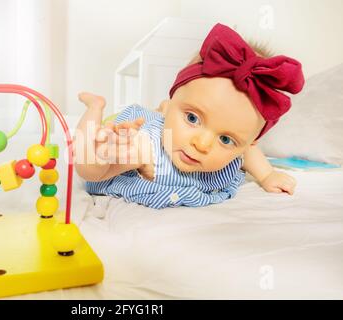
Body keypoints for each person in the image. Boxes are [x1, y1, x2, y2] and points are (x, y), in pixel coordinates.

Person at [74, 23, 305, 209]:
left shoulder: (236, 155)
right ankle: (94, 107)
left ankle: (164, 111)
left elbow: (248, 152)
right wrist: (101, 156)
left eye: (226, 139)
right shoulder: (147, 147)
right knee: (95, 141)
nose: (202, 144)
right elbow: (90, 174)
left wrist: (267, 175)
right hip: (134, 130)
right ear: (174, 98)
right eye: (192, 118)